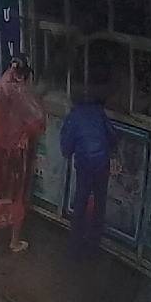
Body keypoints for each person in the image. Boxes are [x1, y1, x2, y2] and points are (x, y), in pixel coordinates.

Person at [0, 54, 45, 252]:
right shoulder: (26, 95)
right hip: (18, 153)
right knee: (17, 195)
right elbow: (39, 122)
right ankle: (14, 241)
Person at [61, 84, 118, 260]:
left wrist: (69, 152)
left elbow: (66, 147)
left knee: (81, 201)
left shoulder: (73, 116)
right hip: (102, 163)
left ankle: (75, 246)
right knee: (100, 202)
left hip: (85, 163)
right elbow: (112, 136)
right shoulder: (98, 112)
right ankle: (94, 244)